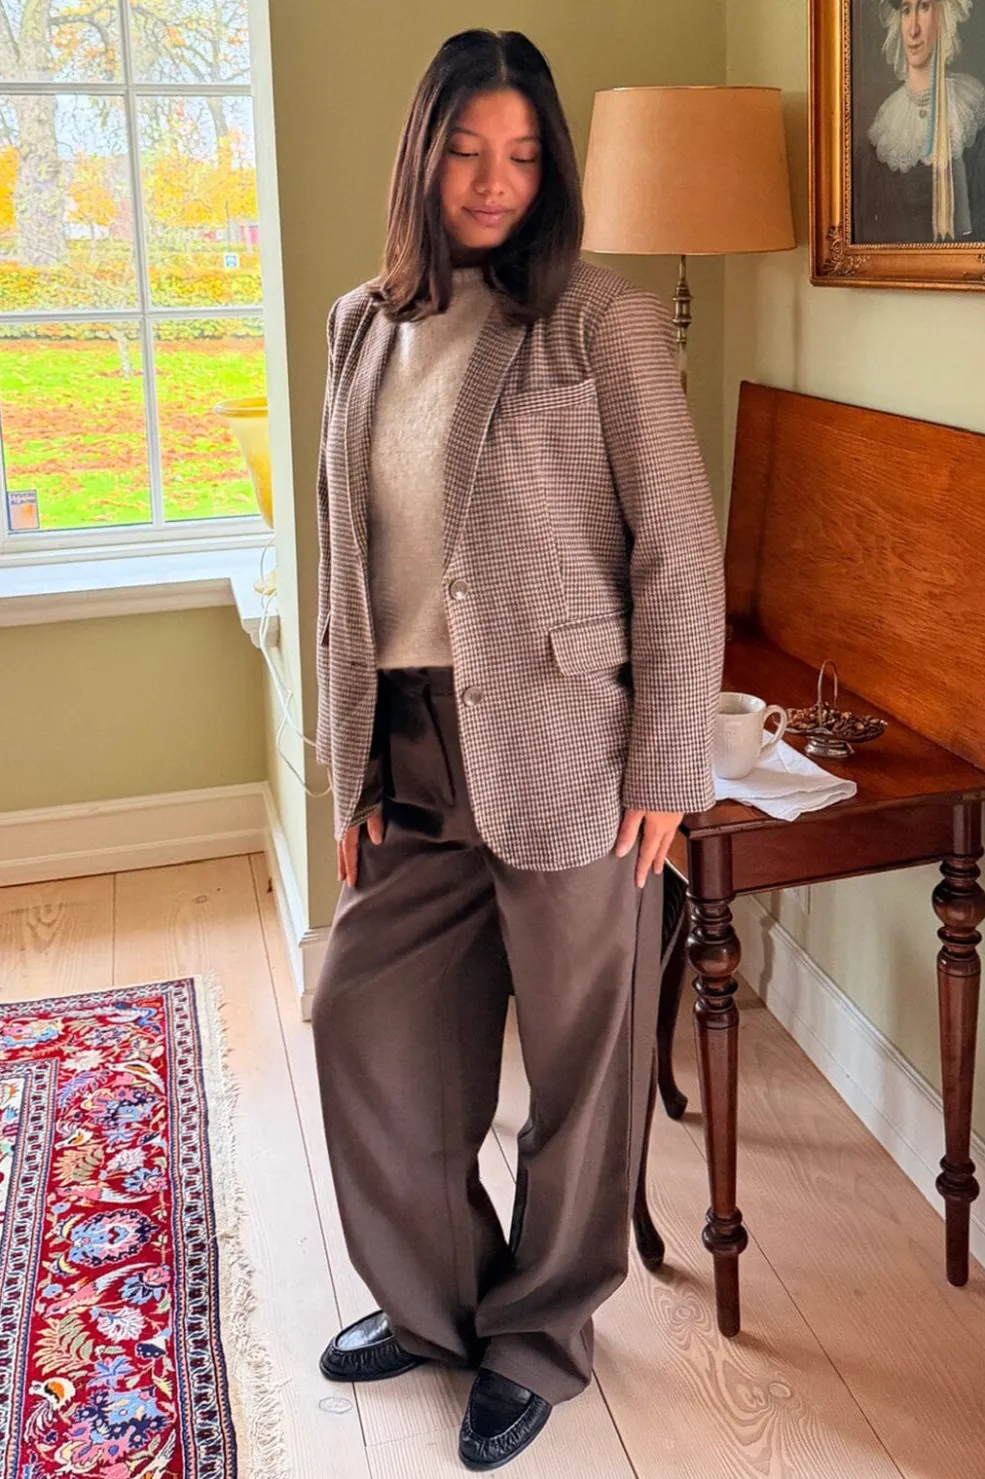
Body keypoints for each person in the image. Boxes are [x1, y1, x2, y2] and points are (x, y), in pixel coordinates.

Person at [310, 28, 725, 1473]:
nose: (495, 181)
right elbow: (345, 564)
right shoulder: (359, 327)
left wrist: (665, 765)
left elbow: (677, 549)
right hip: (413, 748)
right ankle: (438, 1307)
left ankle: (540, 1337)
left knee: (578, 1073)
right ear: (421, 156)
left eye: (525, 155)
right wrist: (351, 766)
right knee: (362, 1025)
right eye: (467, 151)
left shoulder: (598, 322)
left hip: (572, 760)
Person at [855, 0, 985, 243]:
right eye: (906, 11)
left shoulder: (974, 113)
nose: (913, 29)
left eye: (924, 7)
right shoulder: (883, 135)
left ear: (945, 15)